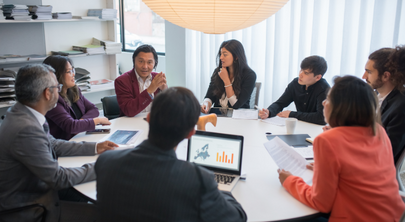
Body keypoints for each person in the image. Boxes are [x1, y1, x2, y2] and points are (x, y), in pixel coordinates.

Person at [96, 87, 247, 222]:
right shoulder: (198, 179)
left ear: (148, 119)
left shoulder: (106, 162)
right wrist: (217, 188)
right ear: (190, 133)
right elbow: (238, 217)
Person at [277, 76, 405, 222]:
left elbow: (320, 202)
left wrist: (289, 181)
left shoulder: (327, 140)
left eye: (329, 99)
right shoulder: (379, 131)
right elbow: (360, 171)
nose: (324, 102)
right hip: (391, 216)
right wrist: (324, 169)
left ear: (341, 107)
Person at [0, 64, 118, 222]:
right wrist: (102, 166)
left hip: (39, 188)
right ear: (47, 93)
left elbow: (53, 144)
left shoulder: (23, 112)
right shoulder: (25, 128)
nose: (60, 90)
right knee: (109, 214)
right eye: (57, 86)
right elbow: (58, 178)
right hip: (32, 207)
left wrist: (96, 147)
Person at [43, 55, 111, 140]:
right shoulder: (52, 99)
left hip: (81, 137)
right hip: (64, 145)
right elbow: (71, 126)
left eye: (73, 70)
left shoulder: (74, 90)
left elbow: (94, 109)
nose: (74, 74)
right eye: (69, 71)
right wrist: (97, 121)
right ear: (57, 75)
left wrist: (80, 123)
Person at [362, 46, 405, 164]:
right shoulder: (376, 95)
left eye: (369, 72)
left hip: (375, 168)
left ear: (386, 76)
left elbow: (385, 153)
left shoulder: (400, 107)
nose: (364, 76)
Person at [258, 56, 329, 125]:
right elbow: (280, 103)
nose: (300, 74)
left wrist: (291, 114)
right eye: (301, 70)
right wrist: (269, 112)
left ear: (317, 77)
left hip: (316, 130)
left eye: (306, 73)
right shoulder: (295, 83)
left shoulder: (324, 89)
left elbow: (321, 118)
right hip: (300, 126)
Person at [201, 39, 256, 113]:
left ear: (236, 56)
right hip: (219, 116)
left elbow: (236, 105)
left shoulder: (250, 75)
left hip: (239, 118)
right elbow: (209, 96)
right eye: (221, 54)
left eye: (225, 54)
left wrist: (226, 80)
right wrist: (206, 104)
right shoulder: (218, 71)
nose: (221, 57)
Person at [115, 44, 167, 117]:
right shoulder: (122, 81)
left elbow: (167, 109)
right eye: (141, 61)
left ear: (155, 63)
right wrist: (150, 90)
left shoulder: (157, 78)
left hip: (153, 121)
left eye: (149, 62)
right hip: (130, 123)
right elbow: (129, 110)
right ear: (134, 61)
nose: (145, 66)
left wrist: (165, 91)